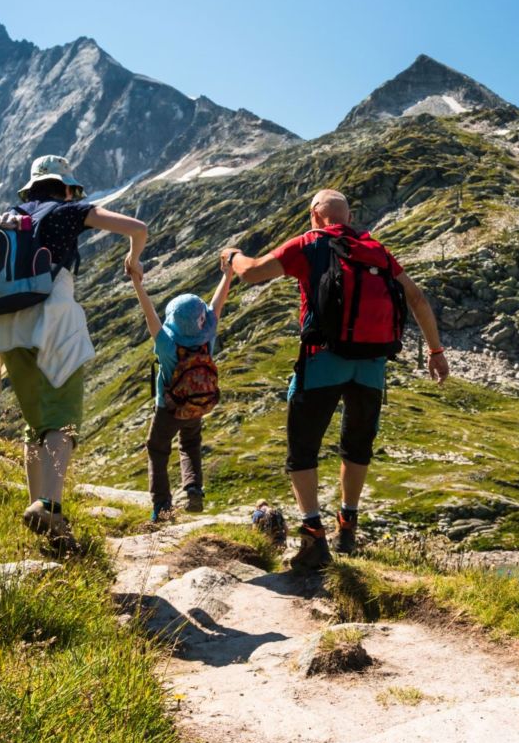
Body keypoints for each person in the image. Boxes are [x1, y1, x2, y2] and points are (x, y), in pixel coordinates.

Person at [0, 155, 148, 553]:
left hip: (6, 327)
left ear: (30, 189)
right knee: (61, 421)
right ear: (65, 187)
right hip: (54, 322)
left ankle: (40, 510)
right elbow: (137, 227)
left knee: (35, 421)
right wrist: (133, 257)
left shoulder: (4, 221)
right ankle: (50, 506)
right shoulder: (68, 210)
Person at [221, 189, 449, 570]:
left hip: (323, 359)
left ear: (315, 215)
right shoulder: (376, 249)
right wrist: (435, 351)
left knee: (302, 449)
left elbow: (252, 273)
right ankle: (348, 525)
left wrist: (231, 256)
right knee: (356, 446)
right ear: (347, 215)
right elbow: (417, 298)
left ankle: (313, 537)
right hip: (372, 365)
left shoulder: (310, 243)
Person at [130, 255, 233, 521]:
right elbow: (216, 304)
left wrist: (136, 282)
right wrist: (228, 274)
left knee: (157, 448)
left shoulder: (167, 344)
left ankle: (162, 506)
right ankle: (194, 489)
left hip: (169, 408)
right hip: (196, 404)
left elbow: (149, 313)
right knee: (190, 443)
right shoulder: (207, 336)